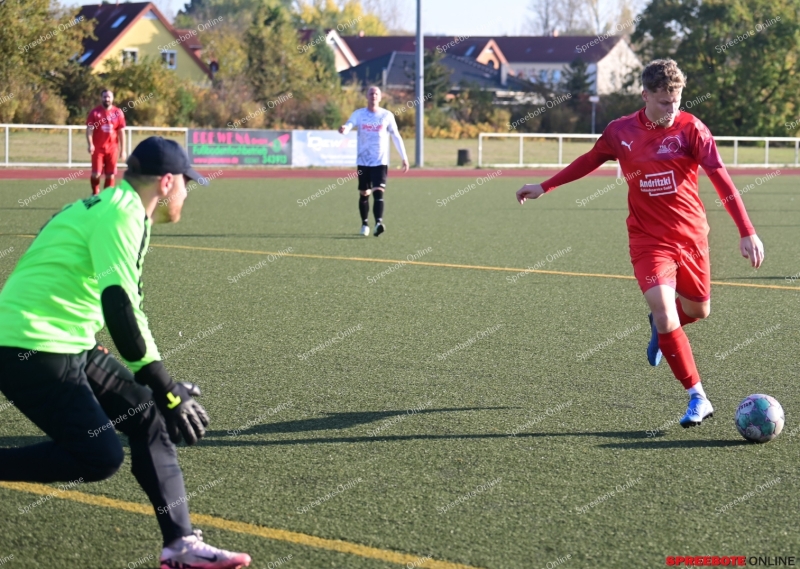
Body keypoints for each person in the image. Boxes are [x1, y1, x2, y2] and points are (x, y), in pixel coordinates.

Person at [0, 137, 251, 569]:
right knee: (98, 456)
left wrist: (159, 386)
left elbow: (107, 298)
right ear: (167, 182)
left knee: (148, 414)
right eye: (187, 184)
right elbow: (120, 309)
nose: (187, 193)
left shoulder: (107, 205)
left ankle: (180, 546)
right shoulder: (122, 214)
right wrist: (165, 385)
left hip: (63, 340)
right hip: (31, 345)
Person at [515, 59, 764, 428]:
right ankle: (698, 396)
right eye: (664, 101)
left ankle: (661, 329)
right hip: (648, 241)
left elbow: (721, 178)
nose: (672, 108)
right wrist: (545, 185)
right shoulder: (621, 131)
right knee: (666, 312)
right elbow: (589, 160)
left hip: (692, 237)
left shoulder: (692, 129)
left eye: (677, 100)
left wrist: (747, 230)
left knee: (697, 312)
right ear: (645, 95)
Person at [339, 86, 409, 237]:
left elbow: (396, 136)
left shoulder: (387, 115)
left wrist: (404, 157)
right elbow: (349, 124)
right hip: (364, 161)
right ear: (367, 96)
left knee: (378, 191)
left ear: (380, 97)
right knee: (364, 193)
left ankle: (378, 223)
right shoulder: (359, 114)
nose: (373, 96)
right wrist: (344, 129)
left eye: (376, 93)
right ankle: (364, 224)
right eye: (371, 93)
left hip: (380, 161)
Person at [86, 88, 126, 195]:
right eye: (104, 97)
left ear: (112, 98)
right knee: (96, 174)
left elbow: (121, 132)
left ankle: (107, 197)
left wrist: (123, 150)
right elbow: (89, 129)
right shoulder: (94, 113)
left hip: (112, 149)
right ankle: (95, 193)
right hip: (98, 149)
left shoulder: (118, 113)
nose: (107, 99)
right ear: (101, 98)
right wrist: (90, 144)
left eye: (109, 97)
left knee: (110, 175)